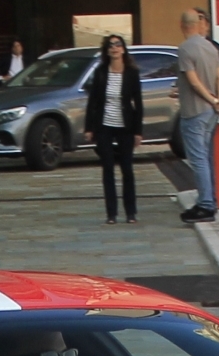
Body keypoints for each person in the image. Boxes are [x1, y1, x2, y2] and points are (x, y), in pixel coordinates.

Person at [83, 36, 142, 225]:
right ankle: (111, 214)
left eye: (118, 45)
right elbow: (93, 102)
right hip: (104, 125)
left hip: (125, 125)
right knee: (108, 167)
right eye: (111, 45)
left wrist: (138, 131)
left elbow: (138, 104)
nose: (115, 48)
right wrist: (89, 127)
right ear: (107, 51)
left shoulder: (132, 73)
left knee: (127, 168)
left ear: (123, 49)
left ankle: (131, 212)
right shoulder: (101, 72)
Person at [175, 9, 219, 223]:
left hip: (194, 111)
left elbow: (194, 82)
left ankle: (205, 205)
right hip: (211, 112)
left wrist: (211, 99)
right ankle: (210, 199)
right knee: (207, 157)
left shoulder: (185, 49)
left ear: (182, 25)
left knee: (198, 159)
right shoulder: (210, 47)